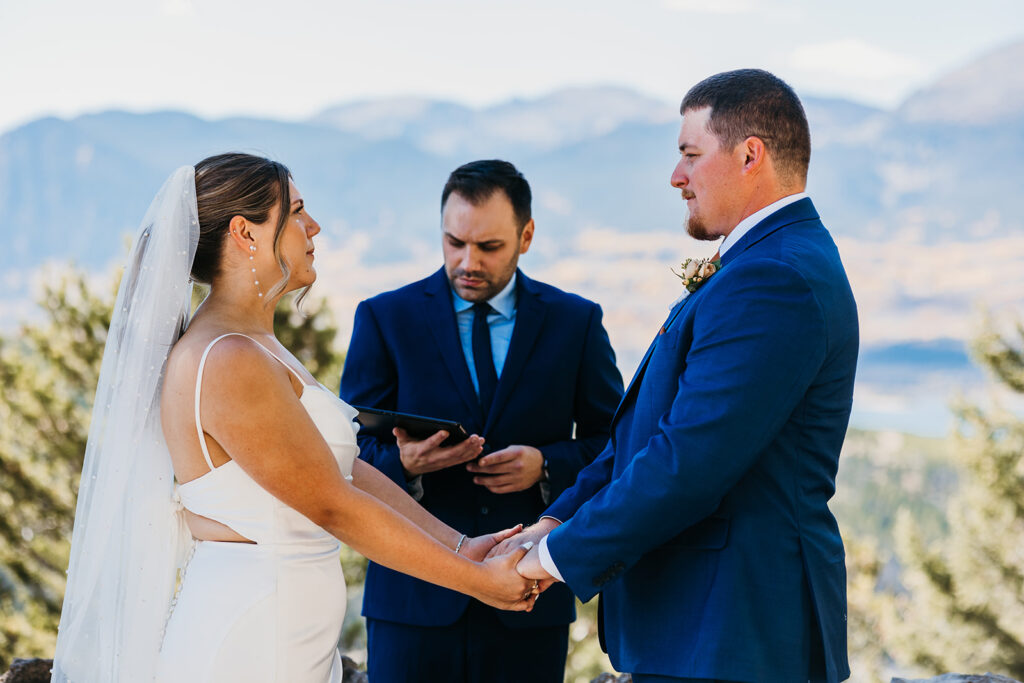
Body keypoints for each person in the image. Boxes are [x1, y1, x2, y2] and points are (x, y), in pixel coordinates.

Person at [50, 153, 538, 683]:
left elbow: (342, 472)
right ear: (245, 233)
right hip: (256, 635)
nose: (314, 227)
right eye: (297, 211)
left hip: (288, 627)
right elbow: (334, 506)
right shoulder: (227, 358)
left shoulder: (255, 344)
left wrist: (462, 545)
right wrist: (476, 581)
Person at [508, 69, 859, 682]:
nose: (676, 177)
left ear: (752, 155)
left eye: (690, 155)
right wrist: (552, 521)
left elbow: (689, 462)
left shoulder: (775, 277)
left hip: (735, 636)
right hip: (705, 634)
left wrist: (548, 561)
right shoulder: (761, 262)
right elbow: (641, 434)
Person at [340, 159, 624, 683]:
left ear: (527, 235)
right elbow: (346, 453)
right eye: (454, 242)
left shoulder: (575, 323)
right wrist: (406, 463)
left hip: (528, 596)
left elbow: (618, 445)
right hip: (412, 601)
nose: (467, 261)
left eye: (489, 247)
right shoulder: (385, 317)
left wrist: (547, 465)